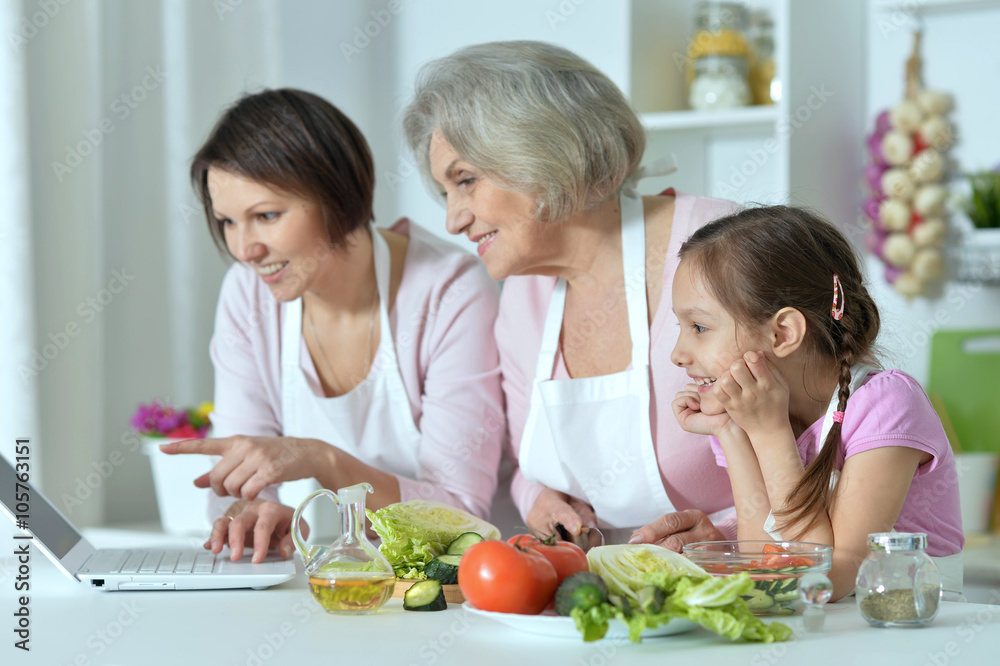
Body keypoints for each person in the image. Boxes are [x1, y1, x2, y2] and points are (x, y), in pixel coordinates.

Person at [403, 41, 740, 547]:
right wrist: (537, 498)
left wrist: (731, 538)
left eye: (466, 180)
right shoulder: (524, 298)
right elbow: (526, 467)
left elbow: (836, 447)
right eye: (446, 191)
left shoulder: (721, 246)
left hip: (751, 585)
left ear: (545, 150)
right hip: (604, 591)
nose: (452, 220)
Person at [163, 88, 504, 563]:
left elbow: (463, 519)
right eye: (228, 222)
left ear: (338, 193)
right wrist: (255, 511)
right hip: (337, 582)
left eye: (265, 216)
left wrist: (322, 460)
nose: (245, 249)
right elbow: (238, 474)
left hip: (450, 592)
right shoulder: (247, 294)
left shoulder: (450, 292)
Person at [669, 205, 964, 599]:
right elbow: (764, 566)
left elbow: (828, 578)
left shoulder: (887, 405)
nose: (678, 353)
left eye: (699, 327)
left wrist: (770, 434)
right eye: (681, 327)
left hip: (908, 632)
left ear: (783, 333)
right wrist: (731, 431)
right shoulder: (745, 415)